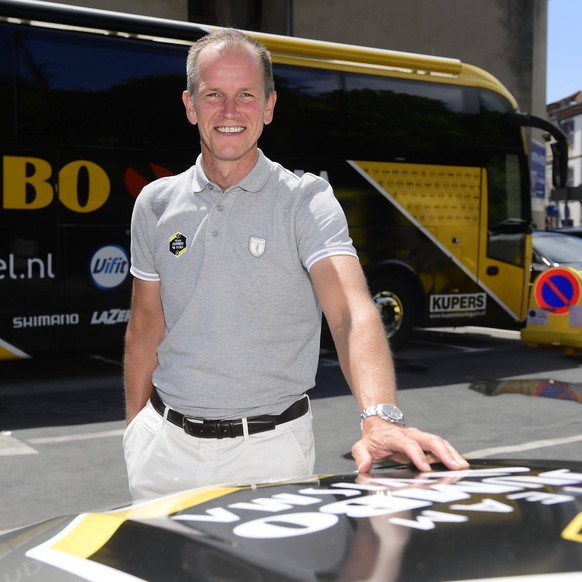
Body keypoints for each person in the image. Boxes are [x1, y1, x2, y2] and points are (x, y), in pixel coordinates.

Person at [123, 29, 468, 501]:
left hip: (269, 455)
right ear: (190, 106)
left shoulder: (306, 201)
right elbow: (145, 325)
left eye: (246, 95)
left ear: (268, 106)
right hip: (163, 450)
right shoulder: (155, 203)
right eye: (213, 96)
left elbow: (350, 312)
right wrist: (135, 433)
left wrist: (380, 416)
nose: (229, 111)